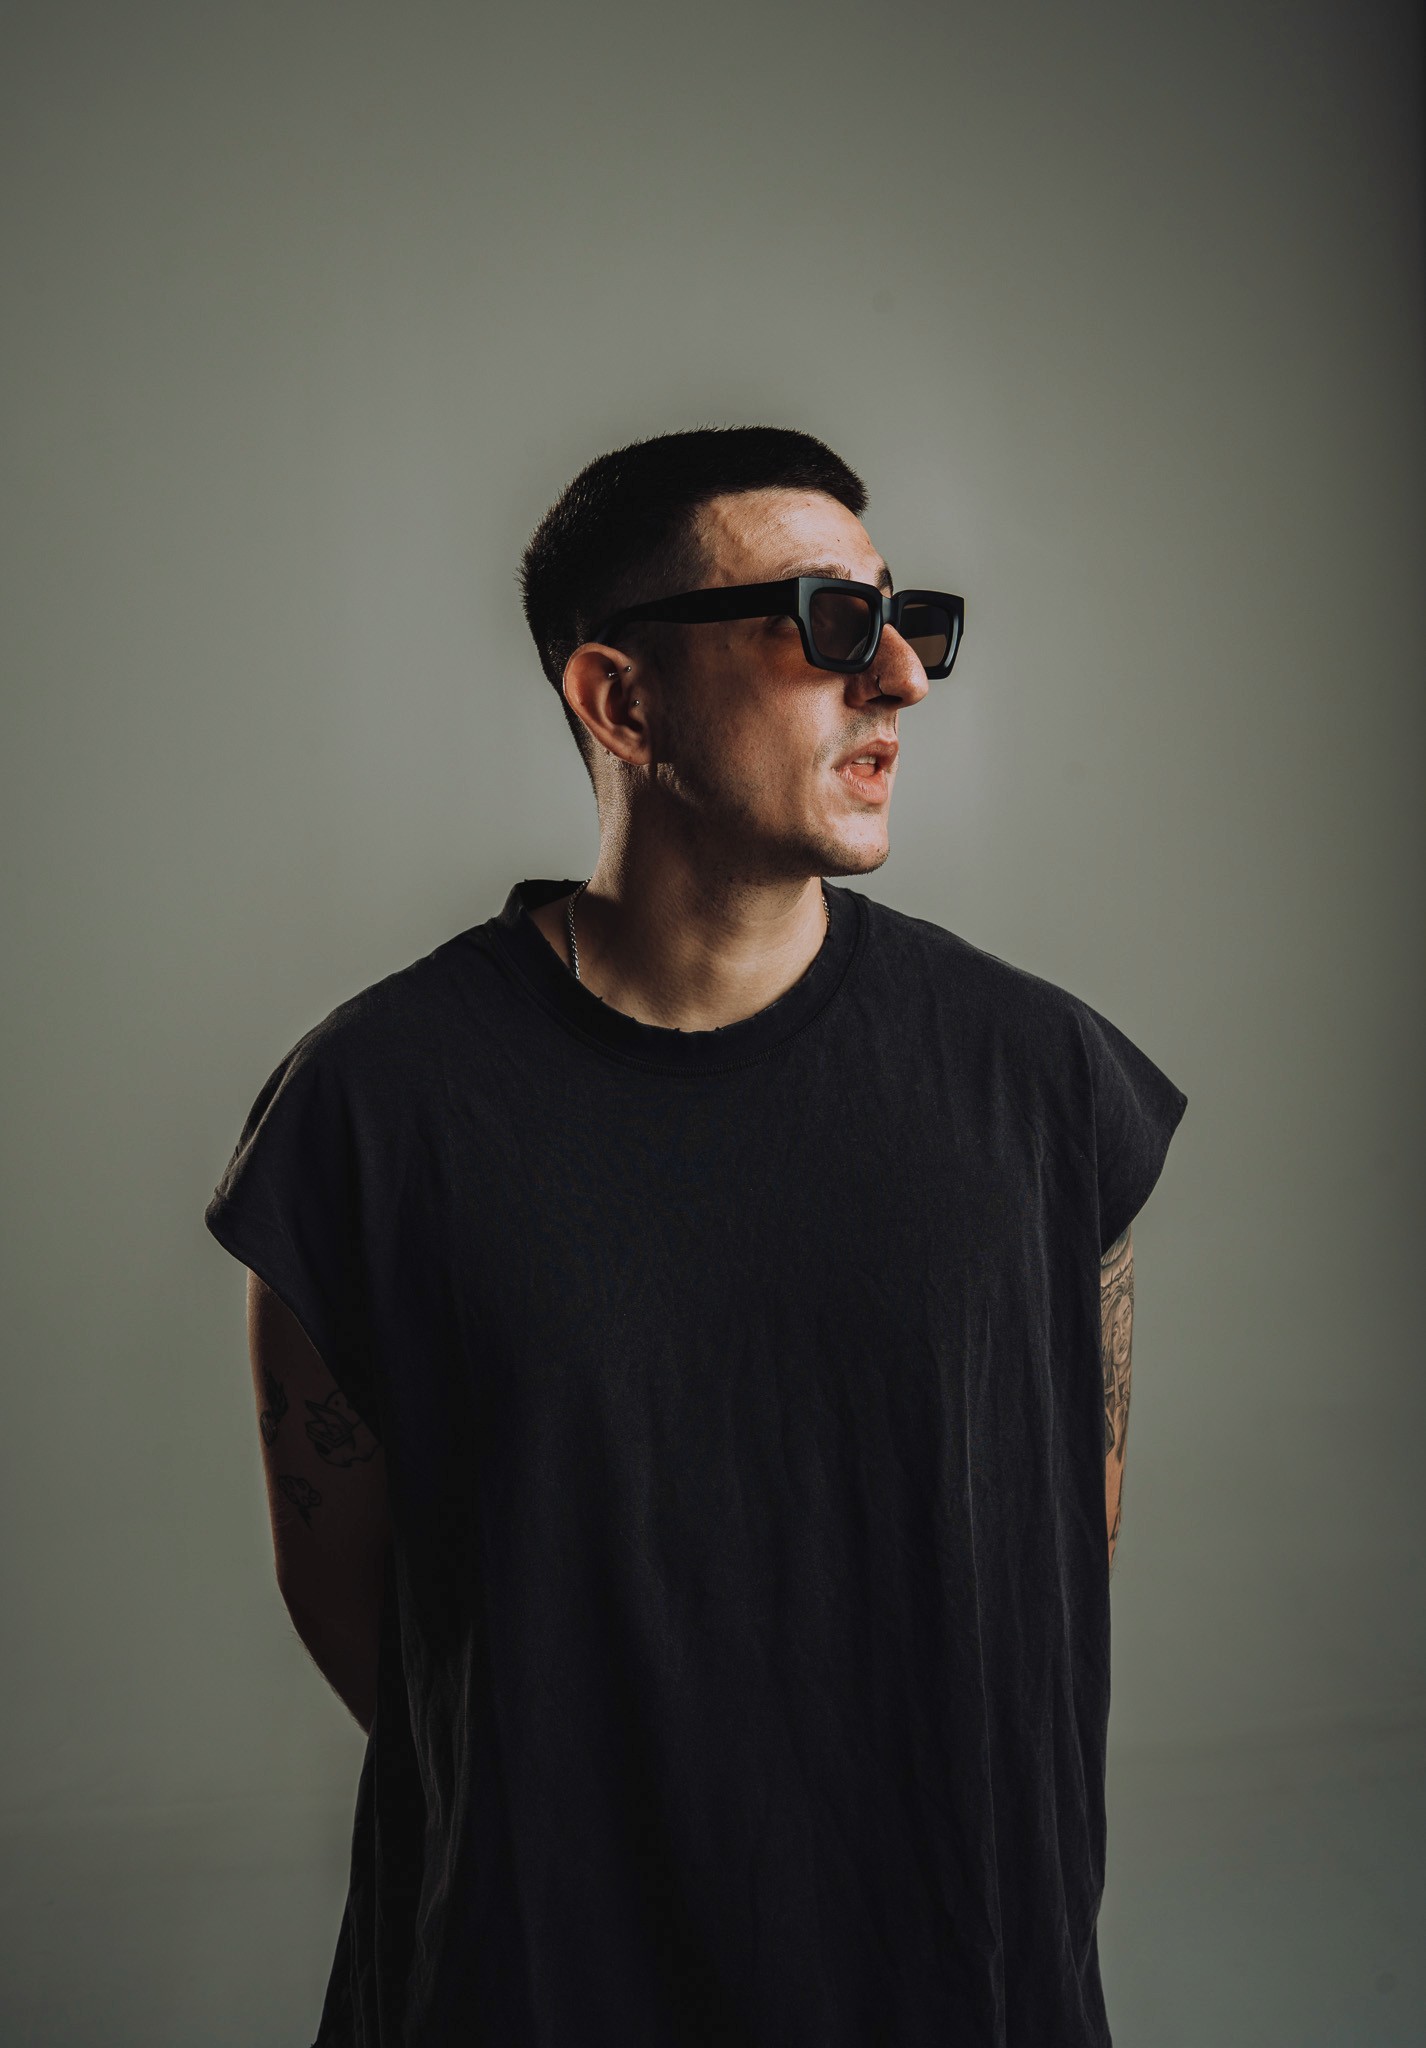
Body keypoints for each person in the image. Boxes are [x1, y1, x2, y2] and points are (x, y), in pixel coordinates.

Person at [205, 425, 1187, 2046]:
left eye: (903, 620)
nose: (899, 679)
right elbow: (363, 1602)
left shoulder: (1038, 1082)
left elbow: (1053, 1539)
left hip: (951, 1980)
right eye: (825, 622)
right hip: (533, 1989)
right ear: (620, 699)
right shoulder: (376, 1110)